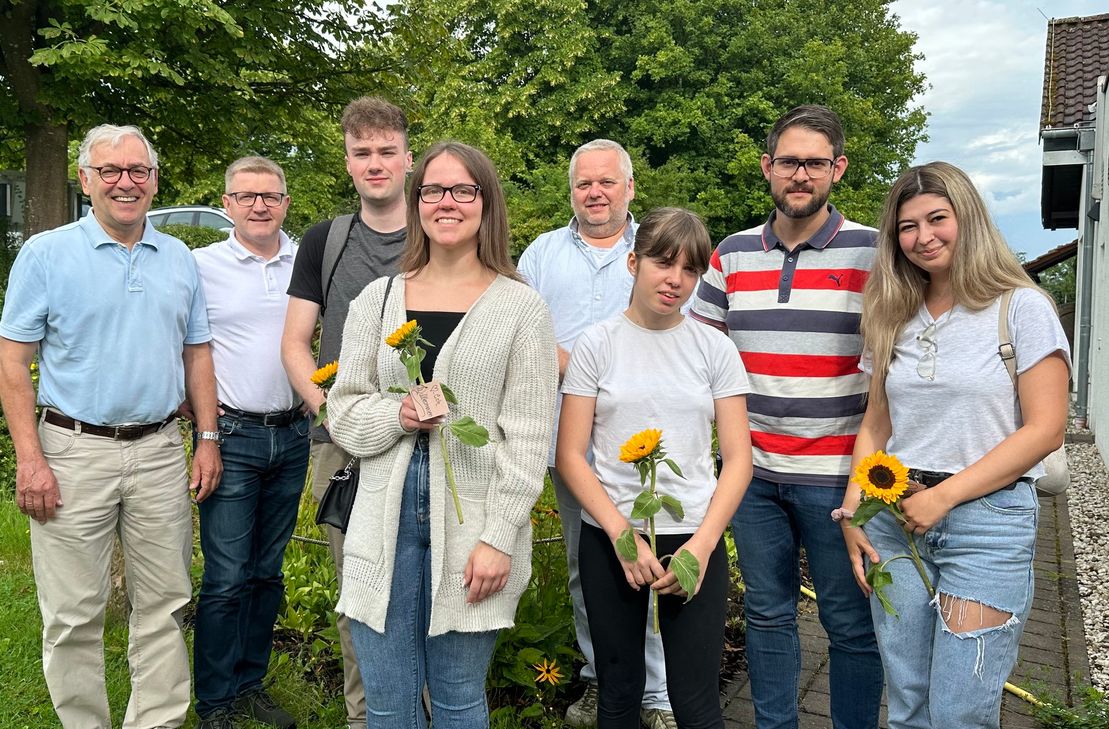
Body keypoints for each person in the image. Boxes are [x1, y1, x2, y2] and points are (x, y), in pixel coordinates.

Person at [326, 141, 558, 728]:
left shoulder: (520, 309)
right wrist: (398, 416)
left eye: (462, 190)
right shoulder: (375, 302)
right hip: (381, 521)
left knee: (457, 699)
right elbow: (344, 413)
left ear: (486, 202)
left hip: (473, 523)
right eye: (432, 190)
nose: (446, 203)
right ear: (416, 202)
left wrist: (500, 536)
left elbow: (529, 437)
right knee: (387, 704)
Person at [0, 124, 221, 729]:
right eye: (111, 172)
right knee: (73, 614)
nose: (126, 183)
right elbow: (12, 363)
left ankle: (157, 722)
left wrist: (206, 439)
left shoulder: (178, 258)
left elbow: (197, 352)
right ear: (86, 180)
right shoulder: (45, 255)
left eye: (138, 171)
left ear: (153, 180)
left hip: (156, 452)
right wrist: (30, 459)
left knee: (166, 604)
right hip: (72, 451)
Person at [838, 161, 1069, 729]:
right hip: (893, 521)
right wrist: (852, 512)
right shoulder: (892, 314)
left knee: (959, 709)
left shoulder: (1021, 307)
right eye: (907, 227)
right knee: (909, 700)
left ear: (968, 218)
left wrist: (943, 498)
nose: (923, 237)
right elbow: (876, 424)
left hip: (987, 525)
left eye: (937, 218)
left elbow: (1045, 429)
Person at [690, 104, 884, 729]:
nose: (800, 175)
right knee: (769, 616)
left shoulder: (873, 254)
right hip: (753, 474)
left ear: (838, 169)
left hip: (838, 474)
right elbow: (696, 351)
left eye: (815, 163)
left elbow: (893, 365)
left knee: (850, 621)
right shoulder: (732, 255)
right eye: (789, 162)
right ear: (767, 167)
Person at [556, 207, 753, 728]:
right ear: (633, 262)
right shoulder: (597, 345)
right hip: (611, 538)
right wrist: (622, 536)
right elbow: (571, 455)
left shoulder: (715, 348)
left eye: (690, 270)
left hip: (692, 537)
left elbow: (738, 459)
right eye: (663, 263)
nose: (675, 281)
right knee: (619, 694)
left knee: (696, 703)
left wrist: (703, 546)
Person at [518, 139, 677, 729]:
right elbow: (522, 333)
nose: (595, 193)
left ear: (630, 188)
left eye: (607, 182)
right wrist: (575, 366)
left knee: (655, 556)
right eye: (585, 183)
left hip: (643, 444)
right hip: (570, 445)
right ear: (572, 191)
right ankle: (601, 680)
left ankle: (657, 697)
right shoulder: (541, 254)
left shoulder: (653, 249)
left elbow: (673, 326)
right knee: (592, 570)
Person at [282, 95, 410, 729]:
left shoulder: (440, 229)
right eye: (363, 153)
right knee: (357, 588)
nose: (375, 163)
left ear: (409, 158)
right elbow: (294, 340)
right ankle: (369, 717)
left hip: (433, 440)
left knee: (430, 584)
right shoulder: (325, 242)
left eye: (387, 151)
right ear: (348, 161)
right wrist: (332, 410)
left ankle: (436, 710)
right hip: (344, 447)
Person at [191, 156, 309, 729]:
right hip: (233, 434)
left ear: (286, 202)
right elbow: (187, 353)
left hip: (293, 434)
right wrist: (205, 433)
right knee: (227, 575)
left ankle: (250, 683)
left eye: (270, 195)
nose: (259, 205)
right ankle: (215, 701)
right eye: (246, 196)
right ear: (228, 203)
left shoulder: (305, 262)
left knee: (267, 570)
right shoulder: (201, 267)